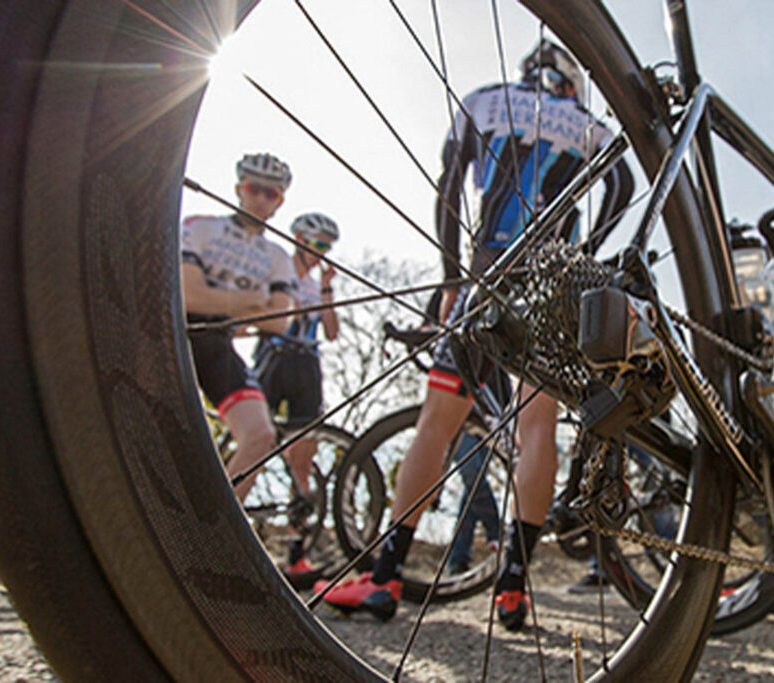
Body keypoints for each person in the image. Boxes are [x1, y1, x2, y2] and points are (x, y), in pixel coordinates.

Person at [315, 40, 634, 630]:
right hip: (550, 280)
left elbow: (448, 187)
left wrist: (450, 277)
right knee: (536, 426)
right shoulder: (586, 122)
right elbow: (622, 186)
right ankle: (512, 590)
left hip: (484, 272)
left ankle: (385, 578)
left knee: (436, 422)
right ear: (570, 80)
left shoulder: (484, 100)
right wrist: (586, 253)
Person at [181, 152, 295, 503]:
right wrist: (250, 304)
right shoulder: (201, 227)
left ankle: (216, 529)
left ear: (279, 202)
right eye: (254, 188)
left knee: (261, 435)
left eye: (271, 194)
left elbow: (278, 321)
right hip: (175, 332)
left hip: (219, 343)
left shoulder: (278, 256)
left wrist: (215, 297)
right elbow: (186, 295)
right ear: (238, 189)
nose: (260, 198)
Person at [251, 212, 340, 585]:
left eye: (327, 247)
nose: (321, 253)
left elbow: (332, 332)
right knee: (255, 440)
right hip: (274, 357)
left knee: (303, 461)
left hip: (307, 364)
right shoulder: (278, 267)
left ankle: (295, 554)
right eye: (317, 244)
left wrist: (326, 289)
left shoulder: (318, 283)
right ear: (299, 240)